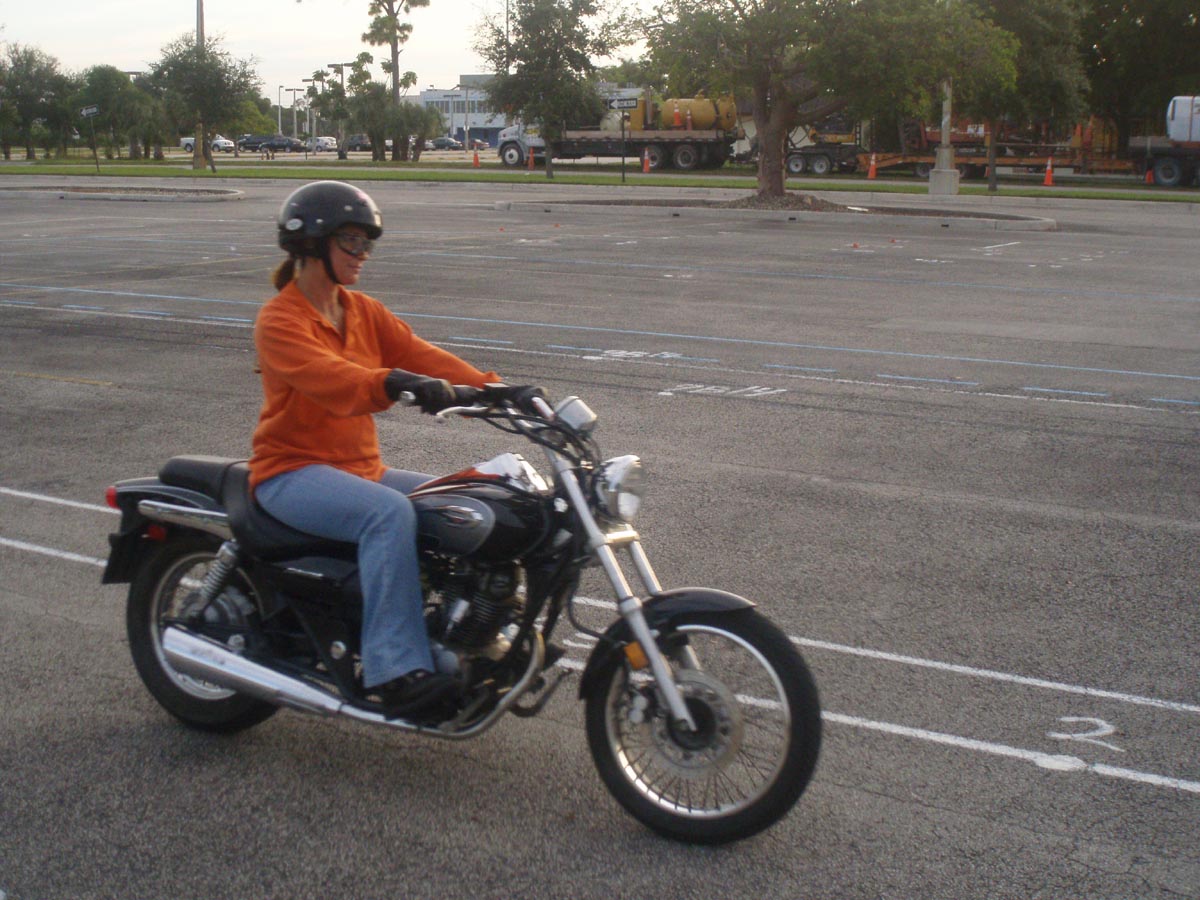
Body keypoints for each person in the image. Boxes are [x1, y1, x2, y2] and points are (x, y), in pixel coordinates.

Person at [249, 180, 538, 719]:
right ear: (311, 244)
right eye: (351, 241)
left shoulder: (361, 310)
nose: (362, 253)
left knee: (471, 501)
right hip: (290, 472)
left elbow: (422, 355)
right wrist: (394, 382)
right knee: (389, 514)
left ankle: (473, 636)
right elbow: (331, 379)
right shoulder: (280, 320)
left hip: (360, 470)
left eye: (367, 243)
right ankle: (395, 670)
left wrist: (498, 390)